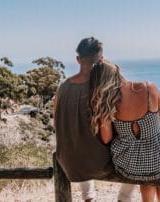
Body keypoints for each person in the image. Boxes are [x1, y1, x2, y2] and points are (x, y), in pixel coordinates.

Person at [88, 61, 160, 202]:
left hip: (129, 164)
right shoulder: (149, 88)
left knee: (145, 177)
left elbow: (106, 139)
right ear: (118, 70)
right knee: (158, 174)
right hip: (159, 159)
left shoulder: (106, 104)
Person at [54, 37, 135, 202]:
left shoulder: (62, 87)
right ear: (101, 60)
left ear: (78, 59)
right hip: (96, 165)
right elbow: (106, 137)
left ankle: (89, 197)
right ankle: (123, 198)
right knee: (138, 154)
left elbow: (57, 123)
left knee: (83, 142)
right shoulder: (101, 90)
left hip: (68, 161)